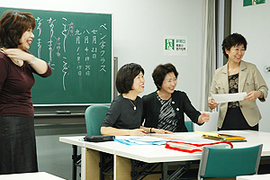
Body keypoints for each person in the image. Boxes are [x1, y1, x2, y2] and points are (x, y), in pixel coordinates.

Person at [0, 10, 52, 174]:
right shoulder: (2, 60)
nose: (32, 36)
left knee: (25, 170)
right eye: (28, 30)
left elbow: (47, 72)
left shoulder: (24, 56)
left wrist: (30, 58)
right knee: (11, 170)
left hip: (24, 121)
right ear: (14, 32)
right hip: (7, 124)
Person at [208, 33, 268, 131]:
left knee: (250, 145)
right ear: (227, 50)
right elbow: (212, 96)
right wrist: (211, 103)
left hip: (248, 119)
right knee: (227, 146)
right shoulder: (218, 72)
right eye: (236, 49)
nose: (240, 53)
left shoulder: (251, 69)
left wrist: (259, 93)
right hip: (226, 119)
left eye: (242, 49)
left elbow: (264, 89)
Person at [142, 63, 209, 133]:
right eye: (169, 81)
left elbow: (194, 115)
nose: (173, 83)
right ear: (159, 83)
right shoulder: (147, 100)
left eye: (174, 79)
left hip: (178, 138)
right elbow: (138, 126)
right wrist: (153, 130)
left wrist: (201, 118)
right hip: (156, 139)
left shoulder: (181, 97)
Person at [101, 63, 151, 136]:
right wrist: (130, 133)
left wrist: (152, 130)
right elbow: (104, 129)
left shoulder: (139, 101)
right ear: (128, 80)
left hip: (134, 141)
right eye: (138, 77)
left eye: (142, 77)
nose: (142, 80)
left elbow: (134, 127)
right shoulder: (119, 103)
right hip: (120, 143)